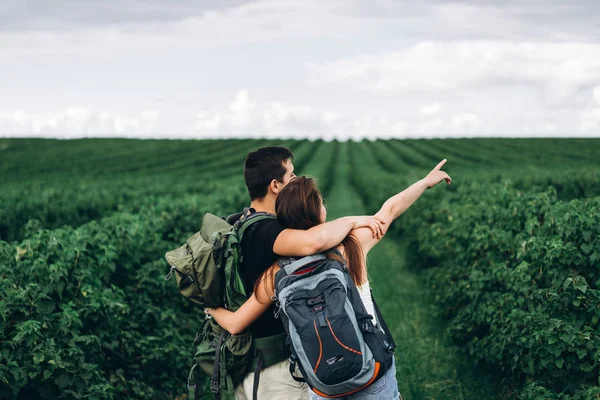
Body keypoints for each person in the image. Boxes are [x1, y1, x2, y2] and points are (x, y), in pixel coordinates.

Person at [207, 158, 452, 400]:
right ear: (318, 211)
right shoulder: (349, 247)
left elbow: (236, 324)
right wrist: (424, 183)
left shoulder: (275, 272)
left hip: (322, 382)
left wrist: (210, 308)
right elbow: (390, 210)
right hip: (372, 369)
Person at [227, 146, 387, 400]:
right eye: (291, 175)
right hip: (275, 371)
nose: (295, 179)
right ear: (275, 185)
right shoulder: (267, 231)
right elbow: (312, 242)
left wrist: (212, 310)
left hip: (250, 366)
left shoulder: (240, 222)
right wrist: (352, 221)